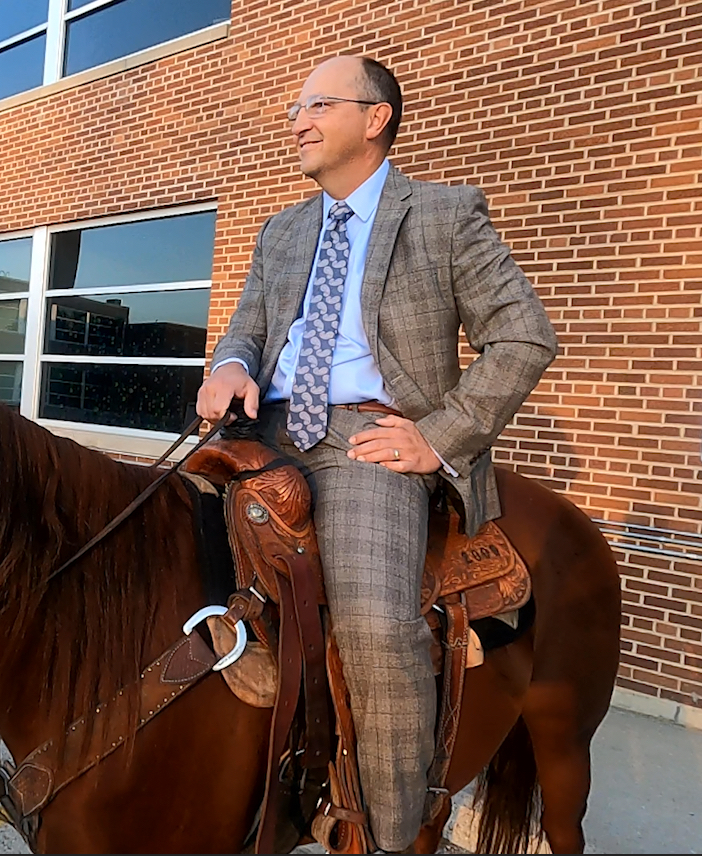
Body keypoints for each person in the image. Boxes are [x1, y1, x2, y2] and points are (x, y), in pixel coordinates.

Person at [197, 55, 558, 851]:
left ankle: (393, 835)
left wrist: (437, 436)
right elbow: (250, 329)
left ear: (376, 117)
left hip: (369, 440)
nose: (298, 118)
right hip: (264, 433)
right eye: (295, 105)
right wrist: (228, 364)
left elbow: (525, 336)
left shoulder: (443, 215)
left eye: (317, 102)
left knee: (373, 625)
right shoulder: (283, 229)